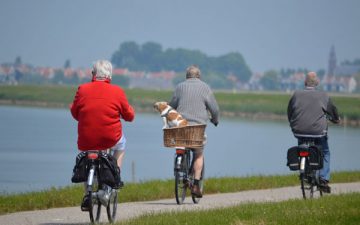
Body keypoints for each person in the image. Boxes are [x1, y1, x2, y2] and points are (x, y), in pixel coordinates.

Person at [70, 60, 135, 209]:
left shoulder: (82, 89)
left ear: (93, 74)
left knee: (88, 156)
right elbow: (129, 116)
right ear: (109, 76)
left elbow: (74, 112)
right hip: (110, 137)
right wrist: (128, 111)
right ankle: (115, 177)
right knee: (122, 144)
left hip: (86, 138)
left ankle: (88, 193)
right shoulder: (117, 91)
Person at [169, 65, 219, 198]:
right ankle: (196, 185)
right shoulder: (205, 88)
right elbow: (214, 109)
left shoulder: (180, 87)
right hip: (197, 129)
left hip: (180, 128)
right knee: (198, 154)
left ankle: (180, 167)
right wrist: (215, 120)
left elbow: (171, 106)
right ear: (199, 76)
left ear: (187, 76)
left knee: (181, 146)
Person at [287, 71, 340, 193]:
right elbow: (332, 111)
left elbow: (290, 111)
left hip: (299, 130)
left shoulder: (296, 94)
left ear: (305, 82)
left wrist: (292, 123)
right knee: (325, 152)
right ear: (317, 83)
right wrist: (336, 119)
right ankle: (323, 178)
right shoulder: (323, 95)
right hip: (318, 132)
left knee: (302, 147)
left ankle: (305, 171)